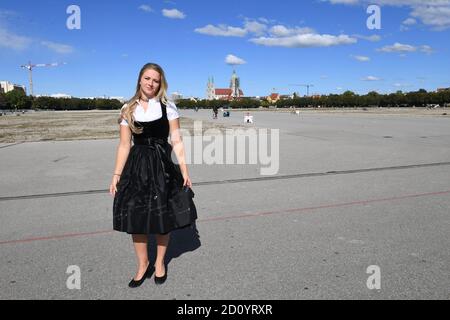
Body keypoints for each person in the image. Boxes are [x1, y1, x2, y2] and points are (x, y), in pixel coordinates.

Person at [109, 63, 195, 288]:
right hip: (136, 168)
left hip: (161, 166)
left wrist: (185, 170)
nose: (151, 83)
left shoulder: (168, 107)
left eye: (156, 80)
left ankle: (159, 263)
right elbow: (124, 145)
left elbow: (176, 140)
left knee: (161, 218)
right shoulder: (128, 108)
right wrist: (116, 174)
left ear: (161, 84)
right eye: (147, 78)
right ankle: (142, 263)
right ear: (140, 79)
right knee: (135, 218)